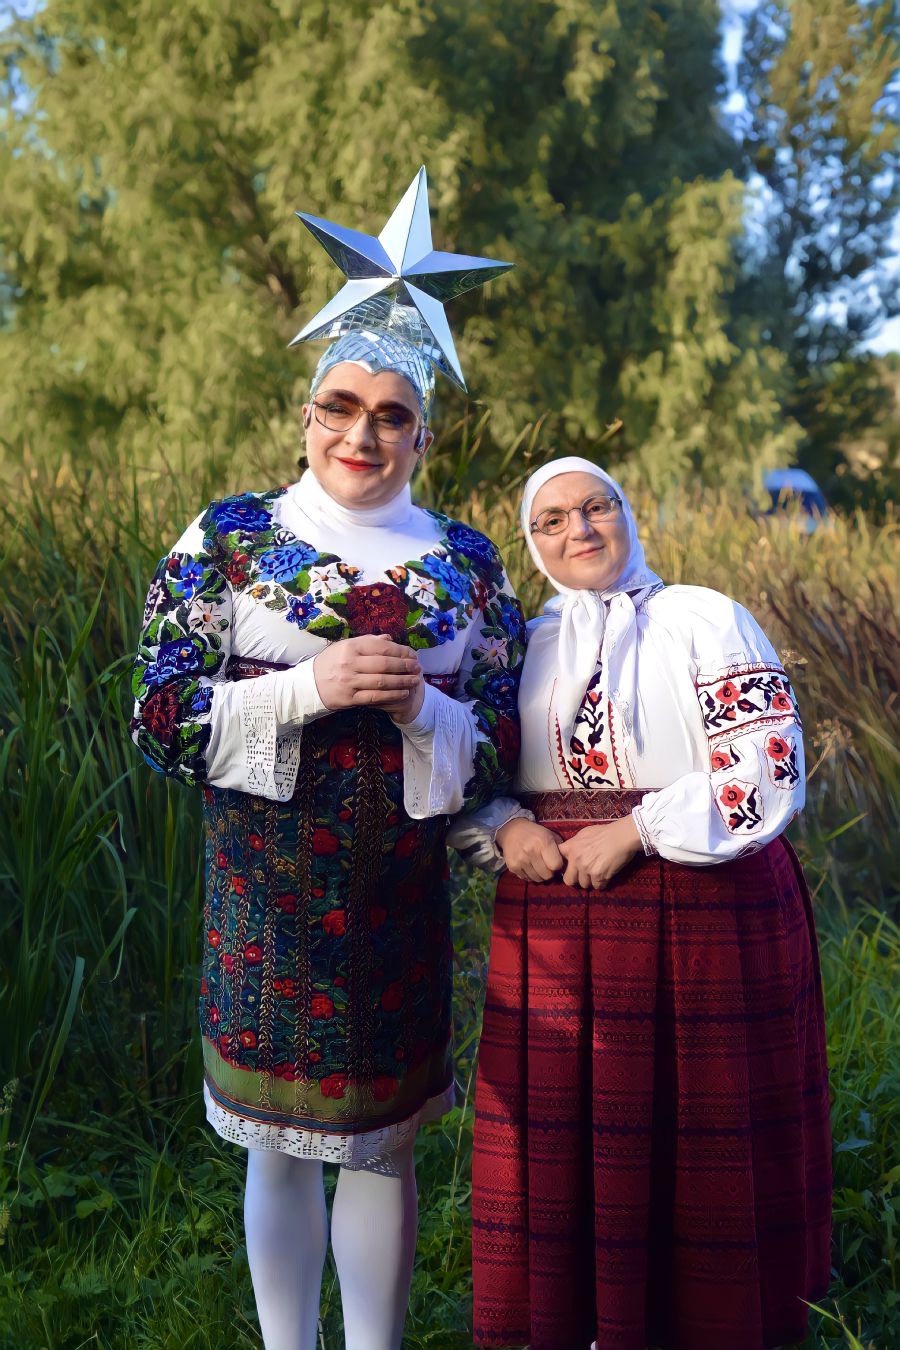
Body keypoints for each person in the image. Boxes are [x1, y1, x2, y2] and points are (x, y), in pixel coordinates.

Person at [129, 175, 524, 1350]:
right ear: (306, 414)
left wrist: (422, 717)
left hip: (399, 906)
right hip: (267, 902)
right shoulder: (234, 536)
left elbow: (504, 739)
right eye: (340, 406)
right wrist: (310, 687)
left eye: (391, 414)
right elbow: (155, 715)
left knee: (384, 1147)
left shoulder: (465, 562)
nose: (363, 434)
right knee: (275, 1142)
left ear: (424, 433)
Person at [450, 456, 832, 1350]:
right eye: (552, 520)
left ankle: (712, 1323)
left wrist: (638, 829)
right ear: (532, 541)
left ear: (626, 514)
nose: (578, 530)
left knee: (698, 1145)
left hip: (705, 911)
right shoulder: (521, 642)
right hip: (556, 922)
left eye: (596, 508)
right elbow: (468, 775)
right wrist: (507, 829)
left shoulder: (707, 618)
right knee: (577, 1155)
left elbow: (768, 774)